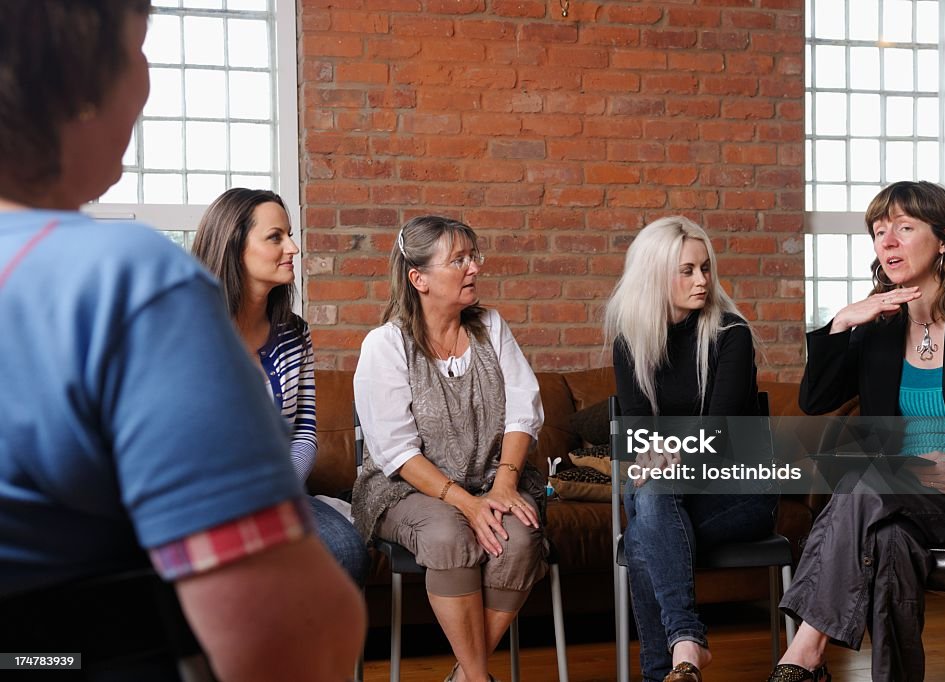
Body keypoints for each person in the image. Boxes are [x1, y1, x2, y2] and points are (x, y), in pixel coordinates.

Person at [0, 2, 364, 680]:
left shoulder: (286, 332)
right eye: (138, 52)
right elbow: (288, 636)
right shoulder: (131, 285)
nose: (145, 81)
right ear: (79, 79)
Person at [770, 180, 945, 682]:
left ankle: (802, 653)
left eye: (904, 228)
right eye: (879, 230)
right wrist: (843, 322)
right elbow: (815, 400)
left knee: (863, 485)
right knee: (888, 542)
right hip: (896, 501)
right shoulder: (879, 329)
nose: (887, 241)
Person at [353, 215, 547, 682]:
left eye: (472, 257)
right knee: (448, 535)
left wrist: (502, 484)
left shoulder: (491, 327)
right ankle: (479, 678)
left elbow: (524, 410)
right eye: (458, 260)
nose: (474, 268)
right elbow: (396, 453)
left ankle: (465, 677)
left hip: (489, 479)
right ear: (418, 278)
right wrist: (467, 503)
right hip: (404, 490)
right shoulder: (386, 345)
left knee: (519, 538)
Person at [606, 217, 779, 682]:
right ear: (655, 274)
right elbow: (639, 431)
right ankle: (685, 655)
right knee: (652, 500)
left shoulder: (731, 334)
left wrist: (664, 453)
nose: (702, 280)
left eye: (705, 268)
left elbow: (717, 434)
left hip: (740, 492)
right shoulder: (631, 340)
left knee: (643, 528)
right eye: (687, 270)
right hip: (670, 488)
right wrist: (654, 452)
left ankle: (667, 662)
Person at [192, 187, 369, 586]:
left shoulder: (293, 333)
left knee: (344, 549)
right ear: (234, 246)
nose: (293, 247)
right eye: (276, 237)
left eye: (289, 234)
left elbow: (305, 432)